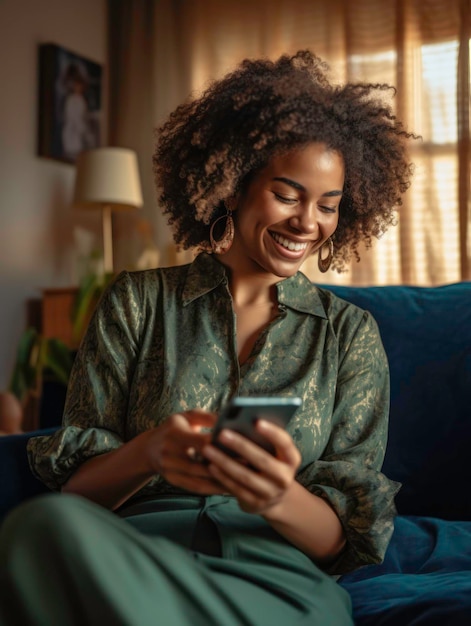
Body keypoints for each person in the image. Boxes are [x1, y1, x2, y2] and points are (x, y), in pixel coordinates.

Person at [0, 50, 415, 625]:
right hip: (136, 557)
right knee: (38, 528)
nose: (307, 224)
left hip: (275, 572)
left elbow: (341, 541)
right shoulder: (138, 301)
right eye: (288, 194)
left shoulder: (349, 335)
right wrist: (149, 452)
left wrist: (276, 496)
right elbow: (76, 493)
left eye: (328, 206)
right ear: (233, 184)